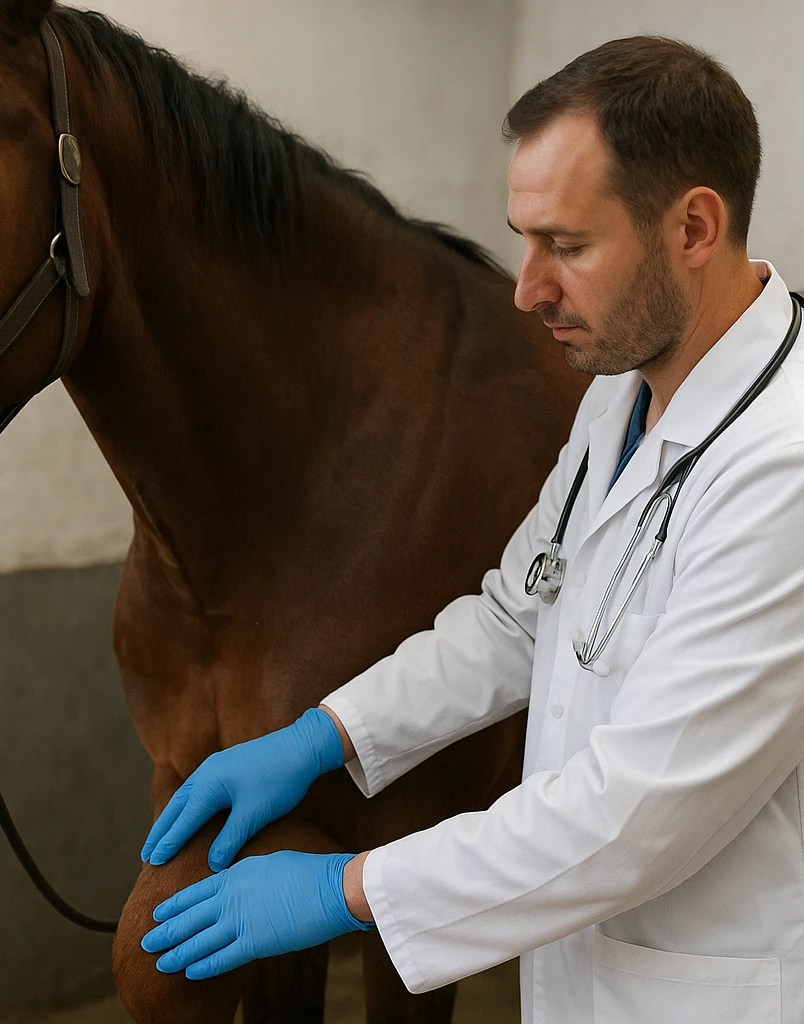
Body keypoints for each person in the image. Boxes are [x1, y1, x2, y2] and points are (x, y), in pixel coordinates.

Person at [140, 35, 804, 1023]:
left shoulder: (783, 467)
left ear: (693, 229)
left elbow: (632, 815)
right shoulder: (623, 388)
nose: (524, 288)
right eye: (522, 238)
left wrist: (345, 889)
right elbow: (517, 613)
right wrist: (323, 736)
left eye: (565, 246)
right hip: (584, 978)